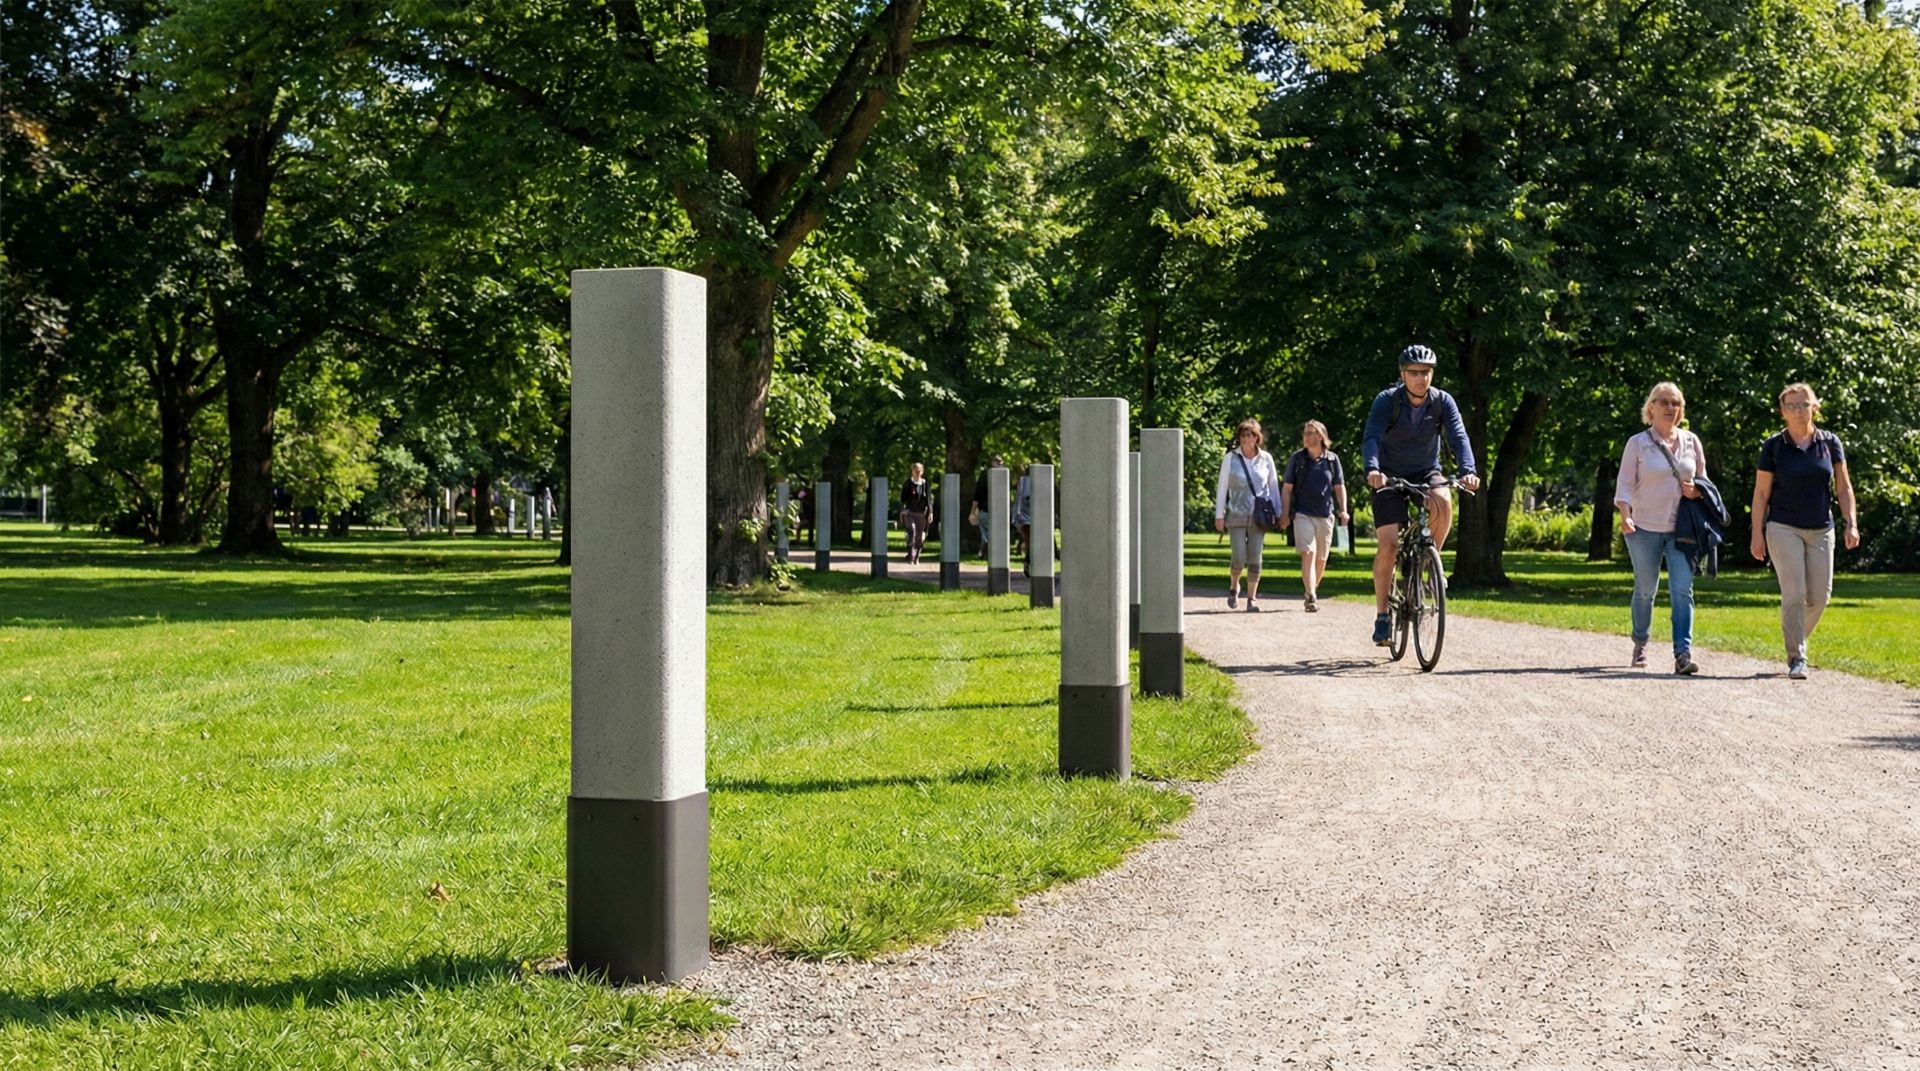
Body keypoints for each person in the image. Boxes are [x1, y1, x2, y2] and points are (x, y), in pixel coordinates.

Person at [1360, 345, 1480, 646]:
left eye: (1426, 372)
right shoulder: (1387, 401)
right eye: (1414, 372)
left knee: (1443, 500)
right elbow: (1372, 435)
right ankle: (1383, 617)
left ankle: (1429, 564)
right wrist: (1373, 469)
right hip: (1388, 474)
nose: (1420, 378)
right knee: (1388, 545)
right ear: (1403, 374)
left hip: (1426, 470)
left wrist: (1468, 469)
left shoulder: (1442, 402)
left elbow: (1458, 435)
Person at [1748, 383, 1859, 680]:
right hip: (1783, 526)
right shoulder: (1774, 446)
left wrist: (1851, 521)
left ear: (1815, 407)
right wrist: (1756, 533)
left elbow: (1843, 486)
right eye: (1792, 406)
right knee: (1794, 592)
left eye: (1804, 404)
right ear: (1783, 411)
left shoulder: (1830, 442)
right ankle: (1797, 655)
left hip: (1822, 527)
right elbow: (1760, 494)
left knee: (1820, 597)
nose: (1799, 410)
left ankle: (1796, 636)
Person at [1612, 380, 1707, 675]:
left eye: (1675, 403)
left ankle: (1682, 653)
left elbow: (1705, 483)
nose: (1670, 407)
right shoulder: (1637, 443)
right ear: (1650, 407)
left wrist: (1698, 492)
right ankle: (1640, 643)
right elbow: (1625, 483)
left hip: (1682, 530)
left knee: (1682, 589)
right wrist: (1625, 515)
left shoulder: (1691, 441)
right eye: (1663, 402)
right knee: (1645, 589)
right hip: (1643, 528)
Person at [1279, 420, 1350, 613]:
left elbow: (1339, 486)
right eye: (1305, 433)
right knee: (1308, 553)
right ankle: (1311, 595)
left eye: (1310, 433)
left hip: (1325, 515)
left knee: (1321, 559)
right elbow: (1287, 489)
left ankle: (1311, 592)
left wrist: (1343, 509)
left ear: (1320, 436)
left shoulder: (1332, 460)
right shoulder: (1297, 459)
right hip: (1302, 513)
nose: (1306, 437)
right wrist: (1285, 514)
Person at [1214, 419, 1279, 612]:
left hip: (1259, 515)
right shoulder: (1230, 458)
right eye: (1242, 435)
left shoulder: (1266, 458)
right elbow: (1222, 487)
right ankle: (1234, 586)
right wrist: (1219, 514)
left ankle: (1252, 598)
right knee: (1238, 557)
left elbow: (1273, 486)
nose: (1245, 439)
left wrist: (1278, 511)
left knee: (1255, 558)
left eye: (1249, 435)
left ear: (1256, 437)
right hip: (1236, 513)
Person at [969, 455, 1003, 559]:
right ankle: (987, 551)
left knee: (986, 533)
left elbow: (977, 495)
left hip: (986, 510)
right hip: (995, 510)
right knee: (990, 533)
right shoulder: (1003, 476)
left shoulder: (984, 475)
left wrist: (973, 512)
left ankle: (985, 551)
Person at [899, 462, 934, 565]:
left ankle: (917, 557)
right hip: (910, 512)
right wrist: (903, 510)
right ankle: (911, 556)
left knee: (920, 536)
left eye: (919, 471)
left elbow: (928, 499)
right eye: (915, 471)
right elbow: (902, 498)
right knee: (911, 532)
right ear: (912, 471)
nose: (917, 473)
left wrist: (930, 512)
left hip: (922, 513)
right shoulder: (908, 483)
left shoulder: (925, 484)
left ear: (922, 472)